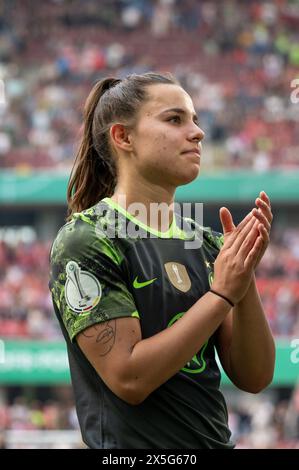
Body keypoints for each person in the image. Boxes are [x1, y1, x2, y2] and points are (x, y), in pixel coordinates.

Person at [49, 72, 275, 449]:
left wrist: (243, 276)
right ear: (123, 137)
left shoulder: (204, 242)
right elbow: (129, 379)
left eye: (195, 120)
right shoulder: (88, 239)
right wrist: (220, 295)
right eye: (175, 119)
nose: (197, 133)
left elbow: (255, 377)